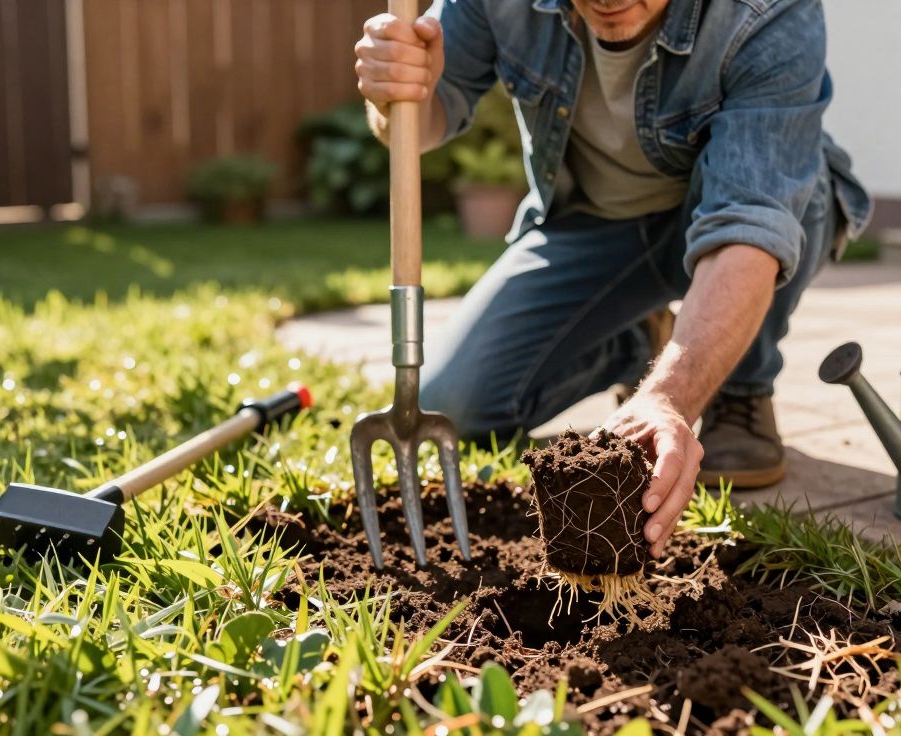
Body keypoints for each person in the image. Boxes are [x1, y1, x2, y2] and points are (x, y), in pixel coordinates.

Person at [354, 0, 871, 556]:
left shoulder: (770, 11)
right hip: (598, 225)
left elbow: (748, 227)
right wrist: (397, 93)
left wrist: (671, 398)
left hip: (729, 212)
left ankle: (740, 387)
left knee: (798, 192)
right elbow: (417, 120)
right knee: (457, 404)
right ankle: (637, 344)